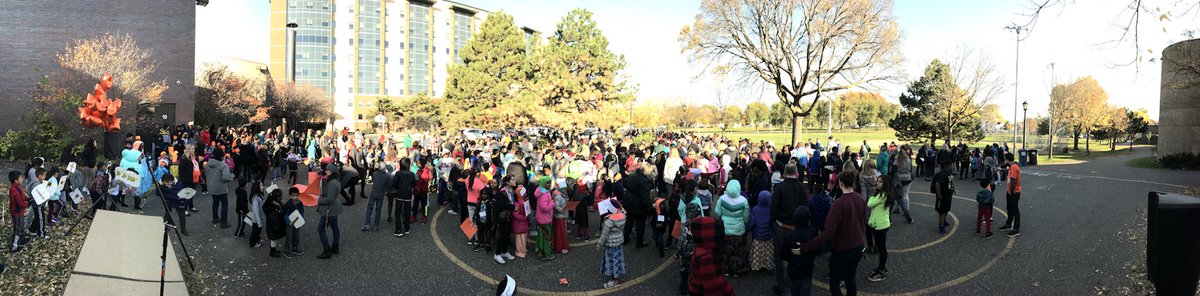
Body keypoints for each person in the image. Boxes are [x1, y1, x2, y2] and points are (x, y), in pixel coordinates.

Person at [796, 169, 866, 296]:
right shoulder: (861, 199)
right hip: (858, 246)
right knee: (850, 278)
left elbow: (828, 232)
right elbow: (863, 221)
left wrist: (806, 247)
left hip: (842, 249)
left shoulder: (838, 204)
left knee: (834, 282)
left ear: (840, 183)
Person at [769, 164, 808, 295]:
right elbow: (806, 206)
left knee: (779, 257)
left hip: (782, 226)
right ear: (796, 173)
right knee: (795, 256)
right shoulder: (802, 187)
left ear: (785, 173)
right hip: (796, 227)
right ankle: (793, 285)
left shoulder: (779, 188)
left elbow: (773, 208)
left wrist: (774, 219)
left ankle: (782, 286)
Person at [687, 216, 735, 296]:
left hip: (697, 288)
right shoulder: (706, 258)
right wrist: (729, 290)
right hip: (701, 291)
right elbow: (713, 287)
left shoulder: (701, 247)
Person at [714, 180, 749, 278]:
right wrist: (745, 224)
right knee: (737, 251)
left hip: (725, 228)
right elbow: (746, 216)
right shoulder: (743, 200)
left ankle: (726, 270)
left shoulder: (722, 198)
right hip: (739, 230)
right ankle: (737, 270)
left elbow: (717, 213)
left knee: (726, 250)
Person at [782, 206, 817, 296]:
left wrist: (794, 253)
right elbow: (817, 250)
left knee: (794, 292)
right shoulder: (812, 233)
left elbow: (783, 255)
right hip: (807, 271)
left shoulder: (789, 236)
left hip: (793, 271)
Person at [866, 176, 896, 282]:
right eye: (877, 181)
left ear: (885, 184)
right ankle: (881, 267)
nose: (877, 183)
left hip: (880, 226)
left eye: (880, 182)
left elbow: (869, 203)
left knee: (882, 249)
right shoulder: (883, 194)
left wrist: (871, 197)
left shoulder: (883, 195)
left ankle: (882, 270)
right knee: (881, 248)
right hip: (880, 224)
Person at [596, 199, 627, 289]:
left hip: (610, 244)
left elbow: (604, 235)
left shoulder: (608, 221)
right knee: (617, 259)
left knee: (612, 260)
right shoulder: (623, 216)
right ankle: (616, 275)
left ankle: (614, 281)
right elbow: (622, 209)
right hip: (618, 242)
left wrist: (599, 245)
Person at [316, 163, 343, 259]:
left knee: (320, 229)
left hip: (329, 210)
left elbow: (329, 199)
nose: (326, 171)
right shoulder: (335, 181)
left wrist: (318, 200)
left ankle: (327, 250)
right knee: (335, 227)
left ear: (332, 172)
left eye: (327, 170)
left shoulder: (332, 183)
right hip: (334, 209)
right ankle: (335, 247)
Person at [205, 148, 234, 228]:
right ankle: (223, 222)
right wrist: (231, 176)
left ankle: (215, 218)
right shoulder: (223, 165)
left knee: (215, 202)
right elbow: (226, 177)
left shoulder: (207, 164)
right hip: (221, 187)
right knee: (224, 204)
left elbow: (206, 174)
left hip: (211, 186)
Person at [747, 190, 774, 273]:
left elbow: (752, 224)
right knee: (768, 253)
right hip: (768, 236)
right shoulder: (771, 210)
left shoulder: (755, 209)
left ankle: (756, 266)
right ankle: (768, 265)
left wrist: (747, 229)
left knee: (757, 252)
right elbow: (772, 224)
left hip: (757, 237)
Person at [364, 163, 392, 231]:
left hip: (373, 193)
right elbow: (388, 185)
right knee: (378, 209)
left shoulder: (374, 174)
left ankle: (366, 224)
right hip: (381, 194)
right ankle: (376, 225)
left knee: (369, 207)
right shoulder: (387, 176)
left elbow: (373, 180)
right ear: (384, 168)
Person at [999, 152, 1022, 237]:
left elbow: (1013, 180)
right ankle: (1008, 224)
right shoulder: (1012, 166)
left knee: (1014, 209)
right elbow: (1009, 173)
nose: (1004, 160)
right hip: (1010, 191)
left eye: (1005, 158)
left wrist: (1011, 191)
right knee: (1009, 208)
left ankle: (1016, 229)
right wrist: (1001, 169)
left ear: (1007, 159)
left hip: (1014, 192)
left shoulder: (1014, 167)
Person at [534, 177, 556, 260]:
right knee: (546, 237)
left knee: (541, 236)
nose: (549, 184)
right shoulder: (544, 194)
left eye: (550, 182)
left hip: (541, 218)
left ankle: (540, 251)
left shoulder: (542, 191)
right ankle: (546, 254)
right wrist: (552, 203)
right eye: (547, 183)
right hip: (545, 219)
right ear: (543, 183)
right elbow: (544, 208)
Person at [393, 159, 416, 236]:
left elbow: (394, 184)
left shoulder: (398, 173)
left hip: (399, 194)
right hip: (408, 194)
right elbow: (414, 184)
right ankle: (407, 228)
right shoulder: (412, 174)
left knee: (398, 212)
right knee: (407, 212)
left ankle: (398, 230)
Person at [9, 170, 30, 253]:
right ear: (16, 180)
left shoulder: (18, 187)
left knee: (21, 226)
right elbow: (20, 203)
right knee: (17, 228)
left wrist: (28, 199)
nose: (22, 179)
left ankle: (22, 239)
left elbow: (23, 196)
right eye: (20, 178)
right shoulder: (14, 189)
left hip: (20, 211)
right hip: (16, 212)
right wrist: (28, 204)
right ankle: (14, 246)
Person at [264, 189, 288, 258]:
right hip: (274, 228)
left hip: (273, 227)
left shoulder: (274, 202)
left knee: (274, 239)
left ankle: (274, 250)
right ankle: (272, 252)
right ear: (277, 197)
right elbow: (275, 220)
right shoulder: (273, 208)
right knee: (273, 240)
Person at [933, 162, 955, 235]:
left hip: (948, 195)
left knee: (947, 209)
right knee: (942, 211)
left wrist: (954, 190)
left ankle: (944, 221)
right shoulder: (942, 174)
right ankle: (941, 226)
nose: (952, 166)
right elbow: (937, 184)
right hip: (943, 196)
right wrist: (939, 195)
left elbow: (951, 183)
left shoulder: (949, 173)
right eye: (951, 165)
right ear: (946, 165)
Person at [283, 187, 304, 256]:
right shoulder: (287, 204)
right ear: (290, 196)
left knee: (296, 236)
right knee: (289, 237)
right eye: (293, 195)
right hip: (290, 224)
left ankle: (295, 248)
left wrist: (302, 220)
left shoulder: (300, 203)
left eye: (296, 195)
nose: (295, 197)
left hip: (297, 223)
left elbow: (302, 212)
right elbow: (285, 214)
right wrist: (288, 222)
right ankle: (286, 250)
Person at [552, 181, 570, 254]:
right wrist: (562, 210)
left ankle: (560, 246)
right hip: (560, 216)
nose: (566, 190)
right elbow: (556, 206)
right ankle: (560, 247)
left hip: (561, 216)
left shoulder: (560, 194)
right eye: (565, 189)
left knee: (561, 232)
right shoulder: (558, 196)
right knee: (560, 233)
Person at [248, 181, 265, 248]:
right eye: (261, 186)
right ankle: (252, 243)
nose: (263, 187)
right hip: (256, 219)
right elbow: (256, 210)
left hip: (259, 217)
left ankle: (257, 239)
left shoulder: (259, 195)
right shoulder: (255, 197)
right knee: (255, 231)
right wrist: (259, 222)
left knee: (258, 230)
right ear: (256, 187)